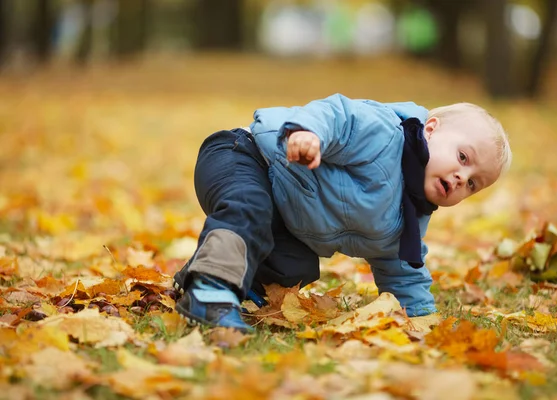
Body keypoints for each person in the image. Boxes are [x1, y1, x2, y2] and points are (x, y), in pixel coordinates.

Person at [173, 93, 512, 332]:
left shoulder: (409, 216)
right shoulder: (384, 134)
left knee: (296, 266)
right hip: (245, 156)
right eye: (463, 158)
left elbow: (403, 271)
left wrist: (422, 320)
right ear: (432, 128)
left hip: (281, 207)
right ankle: (210, 290)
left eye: (472, 184)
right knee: (250, 207)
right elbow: (337, 115)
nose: (461, 178)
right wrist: (307, 134)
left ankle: (215, 272)